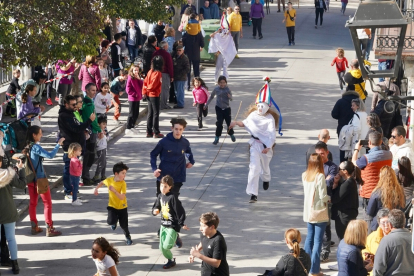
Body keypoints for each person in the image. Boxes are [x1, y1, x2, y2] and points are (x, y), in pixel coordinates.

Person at [229, 80, 278, 202]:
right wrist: (235, 123)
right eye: (259, 106)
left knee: (265, 168)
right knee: (254, 168)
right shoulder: (253, 115)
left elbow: (272, 134)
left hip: (266, 147)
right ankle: (253, 194)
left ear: (267, 106)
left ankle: (266, 179)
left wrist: (269, 146)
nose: (260, 108)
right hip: (254, 145)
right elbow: (245, 123)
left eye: (263, 106)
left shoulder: (270, 119)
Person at [25, 126, 64, 237]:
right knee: (47, 203)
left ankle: (34, 226)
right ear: (34, 135)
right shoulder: (36, 147)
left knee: (32, 203)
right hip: (40, 180)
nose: (41, 135)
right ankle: (49, 228)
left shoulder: (27, 146)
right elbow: (50, 155)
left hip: (30, 179)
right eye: (40, 133)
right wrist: (58, 145)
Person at [352, 132, 392, 227]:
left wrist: (357, 149)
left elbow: (354, 162)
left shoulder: (366, 158)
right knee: (383, 215)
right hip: (384, 190)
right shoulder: (389, 154)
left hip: (369, 192)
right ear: (381, 141)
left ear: (369, 142)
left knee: (369, 217)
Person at [58, 95, 95, 198]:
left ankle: (73, 190)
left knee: (73, 171)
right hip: (70, 147)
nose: (75, 106)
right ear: (66, 104)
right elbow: (76, 129)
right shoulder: (64, 116)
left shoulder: (71, 113)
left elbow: (78, 127)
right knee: (68, 170)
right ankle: (68, 191)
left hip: (76, 147)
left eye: (76, 104)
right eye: (73, 104)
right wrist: (89, 121)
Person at [0, 132, 26, 275]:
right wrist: (20, 169)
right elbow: (22, 184)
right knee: (11, 239)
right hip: (9, 210)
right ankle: (15, 264)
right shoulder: (8, 174)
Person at [150, 118, 195, 197]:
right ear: (172, 128)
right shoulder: (164, 142)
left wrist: (191, 161)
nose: (178, 132)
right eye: (176, 129)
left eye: (180, 129)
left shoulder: (185, 142)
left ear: (183, 129)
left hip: (178, 176)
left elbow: (188, 152)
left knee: (174, 199)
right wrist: (154, 169)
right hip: (164, 176)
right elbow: (153, 154)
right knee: (161, 199)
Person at [152, 175, 189, 269]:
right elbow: (156, 206)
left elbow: (179, 211)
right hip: (163, 225)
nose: (162, 188)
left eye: (165, 186)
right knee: (161, 247)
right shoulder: (160, 196)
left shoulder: (172, 197)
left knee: (167, 245)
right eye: (161, 186)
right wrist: (155, 210)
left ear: (170, 187)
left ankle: (175, 237)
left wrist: (181, 223)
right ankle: (170, 260)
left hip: (172, 226)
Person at [302, 154, 330, 276]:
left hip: (308, 211)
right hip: (319, 212)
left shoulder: (305, 175)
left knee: (309, 238)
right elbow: (323, 196)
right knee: (318, 241)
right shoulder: (320, 176)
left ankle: (305, 266)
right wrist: (329, 198)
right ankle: (314, 269)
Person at [94, 162, 133, 245]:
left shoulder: (123, 183)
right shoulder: (109, 180)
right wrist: (96, 189)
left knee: (124, 226)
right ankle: (114, 223)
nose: (124, 175)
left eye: (125, 173)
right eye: (123, 173)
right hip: (112, 206)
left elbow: (122, 197)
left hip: (122, 207)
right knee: (110, 221)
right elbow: (102, 182)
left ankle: (128, 237)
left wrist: (114, 191)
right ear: (116, 174)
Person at [314, 142, 338, 262]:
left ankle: (325, 252)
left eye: (322, 153)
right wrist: (324, 179)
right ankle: (317, 249)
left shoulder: (332, 166)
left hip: (326, 201)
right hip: (314, 201)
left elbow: (329, 183)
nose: (320, 156)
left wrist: (320, 181)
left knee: (325, 227)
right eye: (317, 154)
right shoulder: (313, 165)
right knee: (314, 225)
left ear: (327, 152)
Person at [373, 209, 414, 275]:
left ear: (390, 225)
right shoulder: (412, 238)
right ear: (404, 223)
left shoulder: (386, 241)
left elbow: (378, 267)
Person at [366, 166, 405, 232]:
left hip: (380, 225)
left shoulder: (377, 192)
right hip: (395, 225)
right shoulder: (400, 191)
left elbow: (370, 212)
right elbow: (403, 207)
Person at [331, 161, 360, 239]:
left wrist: (335, 185)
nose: (338, 170)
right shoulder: (349, 181)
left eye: (339, 169)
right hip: (348, 214)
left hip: (344, 217)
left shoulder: (347, 183)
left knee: (344, 238)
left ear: (345, 171)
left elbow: (335, 199)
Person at [82, 83, 103, 186]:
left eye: (95, 90)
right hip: (91, 132)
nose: (94, 92)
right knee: (89, 156)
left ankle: (86, 176)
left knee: (90, 155)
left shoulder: (88, 101)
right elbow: (93, 120)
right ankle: (85, 177)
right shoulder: (88, 104)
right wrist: (99, 130)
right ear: (87, 91)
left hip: (90, 131)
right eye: (92, 90)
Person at [331, 88, 360, 162]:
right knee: (354, 148)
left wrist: (341, 117)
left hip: (342, 129)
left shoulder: (340, 101)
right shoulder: (359, 102)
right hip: (355, 129)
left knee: (343, 148)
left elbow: (334, 114)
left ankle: (343, 167)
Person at [206, 76, 235, 145]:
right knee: (219, 123)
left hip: (227, 109)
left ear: (226, 83)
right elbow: (211, 96)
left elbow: (231, 99)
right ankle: (217, 137)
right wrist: (206, 105)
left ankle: (231, 134)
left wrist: (229, 97)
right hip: (218, 108)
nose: (222, 84)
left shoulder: (227, 89)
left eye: (223, 82)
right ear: (218, 83)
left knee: (229, 123)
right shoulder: (216, 89)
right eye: (221, 83)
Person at [361, 208, 390, 276]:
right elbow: (364, 249)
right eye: (383, 222)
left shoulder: (395, 236)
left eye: (388, 222)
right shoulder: (372, 237)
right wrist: (367, 257)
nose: (386, 225)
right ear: (379, 223)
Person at [143, 56, 164, 138]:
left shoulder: (150, 71)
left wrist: (144, 91)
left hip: (149, 94)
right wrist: (148, 89)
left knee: (150, 113)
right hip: (154, 95)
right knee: (155, 113)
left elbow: (145, 82)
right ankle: (156, 131)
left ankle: (149, 131)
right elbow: (152, 85)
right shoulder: (158, 73)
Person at [182, 23, 205, 91]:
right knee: (196, 71)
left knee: (188, 70)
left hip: (187, 54)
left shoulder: (186, 33)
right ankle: (197, 85)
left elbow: (183, 43)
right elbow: (202, 44)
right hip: (196, 54)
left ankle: (188, 86)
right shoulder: (199, 33)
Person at [152, 41, 174, 110]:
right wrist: (172, 76)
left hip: (155, 73)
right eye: (167, 46)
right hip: (164, 73)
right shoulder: (167, 54)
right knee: (165, 89)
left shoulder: (155, 53)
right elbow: (170, 66)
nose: (168, 47)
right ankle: (163, 105)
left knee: (157, 89)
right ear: (165, 46)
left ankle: (157, 104)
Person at [125, 65, 143, 135]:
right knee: (131, 113)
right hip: (132, 98)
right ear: (132, 71)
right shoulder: (130, 78)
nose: (136, 72)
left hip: (137, 97)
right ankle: (128, 127)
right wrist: (134, 94)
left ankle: (132, 126)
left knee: (136, 113)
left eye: (137, 70)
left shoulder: (137, 78)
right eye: (135, 70)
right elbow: (128, 90)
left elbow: (142, 86)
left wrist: (139, 79)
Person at [93, 115, 109, 183]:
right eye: (103, 124)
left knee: (104, 163)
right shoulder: (97, 131)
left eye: (105, 124)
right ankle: (96, 175)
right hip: (100, 149)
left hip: (104, 148)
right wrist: (100, 138)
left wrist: (105, 135)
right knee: (101, 163)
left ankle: (103, 175)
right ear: (99, 124)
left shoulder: (104, 131)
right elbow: (96, 141)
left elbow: (108, 139)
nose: (104, 126)